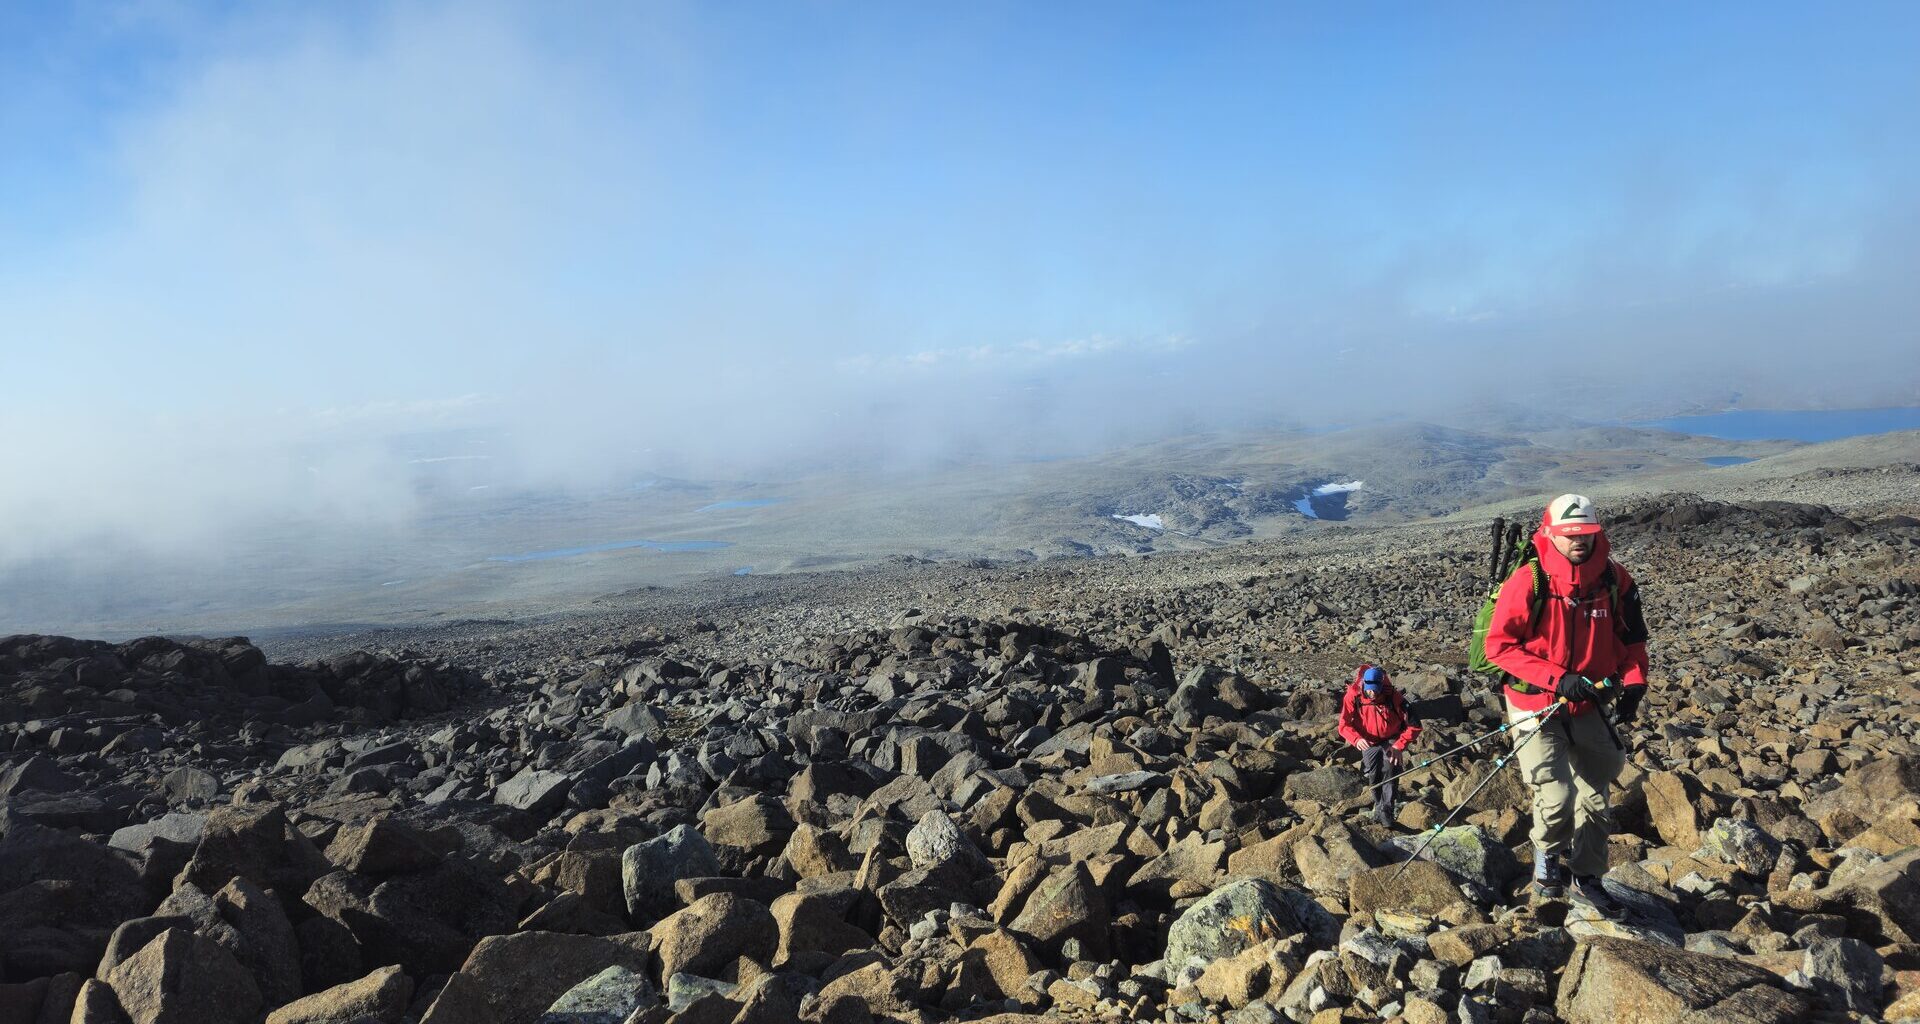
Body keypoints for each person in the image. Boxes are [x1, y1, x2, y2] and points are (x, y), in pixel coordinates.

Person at [1484, 493, 1649, 910]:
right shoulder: (1529, 581)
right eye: (1569, 534)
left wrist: (1633, 682)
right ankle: (1546, 858)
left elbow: (1632, 640)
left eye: (1587, 533)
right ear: (1551, 534)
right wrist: (1558, 678)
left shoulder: (1614, 579)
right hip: (1534, 701)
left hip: (1588, 699)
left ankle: (1587, 876)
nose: (1579, 541)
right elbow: (1499, 647)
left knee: (1596, 796)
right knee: (1555, 796)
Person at [1338, 664, 1422, 825]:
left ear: (1382, 686)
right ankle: (1379, 806)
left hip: (1391, 738)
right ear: (1363, 685)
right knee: (1373, 774)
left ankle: (1387, 811)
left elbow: (1415, 725)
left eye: (1376, 690)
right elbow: (1344, 725)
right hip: (1367, 740)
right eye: (1369, 690)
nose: (1373, 694)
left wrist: (1399, 745)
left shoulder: (1393, 696)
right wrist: (1356, 739)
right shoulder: (1353, 695)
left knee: (1390, 769)